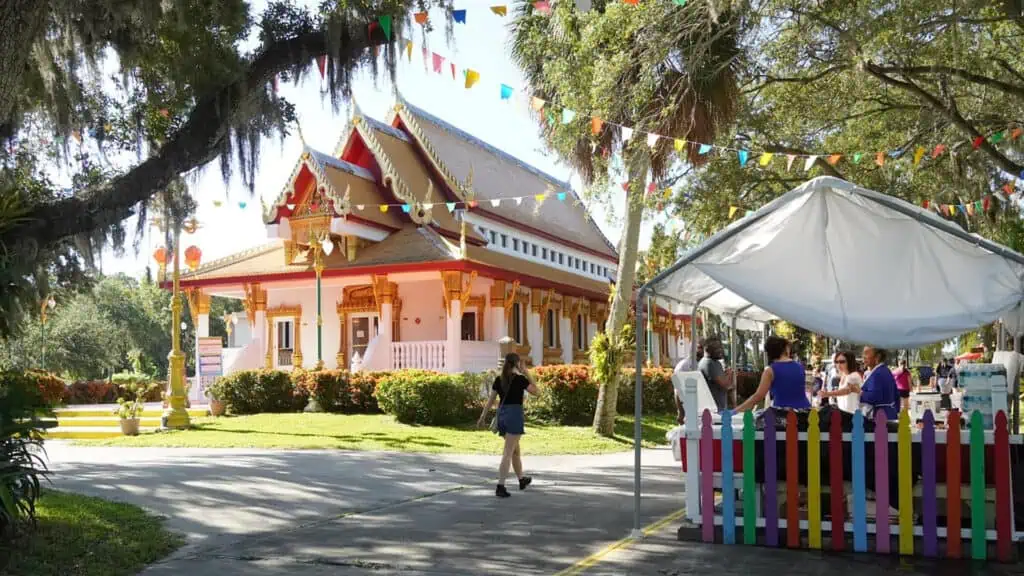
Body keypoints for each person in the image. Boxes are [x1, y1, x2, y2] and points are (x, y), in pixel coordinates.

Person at [477, 353, 539, 498]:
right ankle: (500, 486)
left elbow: (491, 400)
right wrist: (527, 372)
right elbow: (537, 392)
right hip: (514, 416)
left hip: (502, 416)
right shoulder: (520, 379)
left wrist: (482, 417)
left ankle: (521, 479)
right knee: (508, 452)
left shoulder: (499, 379)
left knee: (515, 451)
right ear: (517, 364)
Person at [735, 336, 810, 412]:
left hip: (784, 414)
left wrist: (735, 411)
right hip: (804, 411)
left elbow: (758, 396)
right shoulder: (800, 367)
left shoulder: (770, 371)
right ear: (785, 349)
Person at [859, 346, 899, 420]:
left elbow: (874, 397)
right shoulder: (884, 370)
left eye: (866, 353)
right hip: (889, 414)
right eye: (863, 354)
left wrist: (858, 392)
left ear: (877, 357)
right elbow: (896, 394)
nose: (863, 357)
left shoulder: (878, 373)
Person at [698, 337, 734, 412]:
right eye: (717, 348)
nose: (721, 350)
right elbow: (726, 385)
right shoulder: (710, 363)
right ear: (707, 349)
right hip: (717, 410)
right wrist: (730, 374)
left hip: (714, 408)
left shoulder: (705, 362)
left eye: (720, 347)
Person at [673, 340, 704, 424]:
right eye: (700, 347)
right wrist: (681, 413)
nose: (702, 350)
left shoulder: (702, 364)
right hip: (688, 409)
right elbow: (678, 390)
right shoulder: (685, 365)